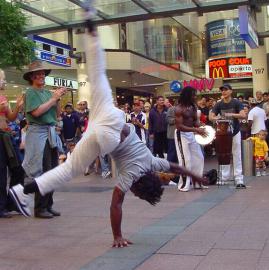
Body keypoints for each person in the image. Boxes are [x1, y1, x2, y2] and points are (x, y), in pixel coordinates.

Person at [9, 13, 207, 248]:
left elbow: (175, 167)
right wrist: (117, 236)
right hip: (106, 137)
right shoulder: (129, 177)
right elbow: (116, 205)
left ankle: (91, 31)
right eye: (139, 194)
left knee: (97, 76)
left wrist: (198, 176)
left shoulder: (152, 163)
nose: (134, 193)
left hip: (111, 120)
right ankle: (22, 191)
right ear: (138, 188)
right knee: (69, 169)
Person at [22, 60, 67, 219]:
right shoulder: (30, 92)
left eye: (42, 73)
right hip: (38, 134)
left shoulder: (48, 93)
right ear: (32, 77)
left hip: (50, 133)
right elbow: (36, 113)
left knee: (53, 170)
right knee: (42, 170)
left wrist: (58, 98)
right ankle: (40, 207)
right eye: (38, 74)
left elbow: (56, 114)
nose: (41, 76)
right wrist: (53, 98)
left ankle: (48, 204)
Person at [209, 84, 246, 189]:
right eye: (222, 90)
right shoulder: (218, 104)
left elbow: (243, 115)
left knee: (237, 154)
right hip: (223, 134)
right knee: (224, 155)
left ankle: (239, 179)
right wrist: (216, 117)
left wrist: (232, 115)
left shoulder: (236, 102)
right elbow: (211, 117)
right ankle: (224, 178)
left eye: (226, 90)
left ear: (231, 91)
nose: (223, 92)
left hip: (235, 132)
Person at [0, 69, 25, 218]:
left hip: (6, 136)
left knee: (18, 168)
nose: (4, 81)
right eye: (2, 79)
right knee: (1, 172)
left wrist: (17, 106)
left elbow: (10, 117)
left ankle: (11, 202)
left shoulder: (3, 97)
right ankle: (2, 205)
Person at [174, 86, 207, 192]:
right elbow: (179, 126)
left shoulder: (193, 106)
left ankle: (197, 182)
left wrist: (202, 126)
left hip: (190, 133)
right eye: (194, 94)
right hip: (181, 134)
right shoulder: (179, 108)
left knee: (199, 157)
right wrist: (196, 130)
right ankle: (183, 185)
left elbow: (194, 121)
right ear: (188, 95)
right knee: (185, 160)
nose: (195, 96)